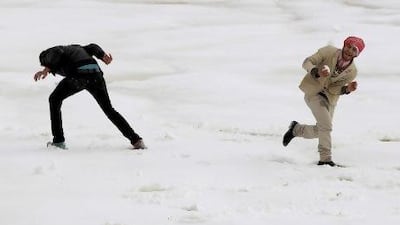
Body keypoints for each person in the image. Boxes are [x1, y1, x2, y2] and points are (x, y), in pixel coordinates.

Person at [34, 43, 147, 150]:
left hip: (79, 75)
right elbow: (93, 47)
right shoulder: (78, 49)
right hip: (96, 75)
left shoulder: (49, 53)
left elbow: (57, 52)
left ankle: (58, 141)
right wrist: (102, 55)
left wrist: (45, 69)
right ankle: (136, 140)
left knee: (54, 99)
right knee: (109, 110)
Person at [282, 36, 365, 166]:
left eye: (354, 50)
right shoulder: (328, 51)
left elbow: (335, 89)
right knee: (326, 126)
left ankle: (296, 130)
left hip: (330, 98)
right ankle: (325, 159)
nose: (349, 51)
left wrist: (347, 89)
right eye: (348, 46)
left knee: (320, 130)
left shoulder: (352, 72)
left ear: (357, 54)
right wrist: (316, 71)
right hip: (313, 91)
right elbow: (307, 62)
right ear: (344, 45)